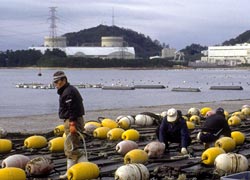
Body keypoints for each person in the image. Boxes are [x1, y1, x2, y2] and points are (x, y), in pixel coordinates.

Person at [53, 71, 87, 179]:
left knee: (70, 147)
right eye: (54, 82)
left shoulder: (68, 92)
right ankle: (81, 169)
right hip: (74, 120)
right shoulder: (68, 90)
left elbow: (72, 109)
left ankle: (73, 171)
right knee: (73, 146)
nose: (55, 84)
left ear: (64, 80)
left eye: (57, 82)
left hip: (73, 120)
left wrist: (72, 123)